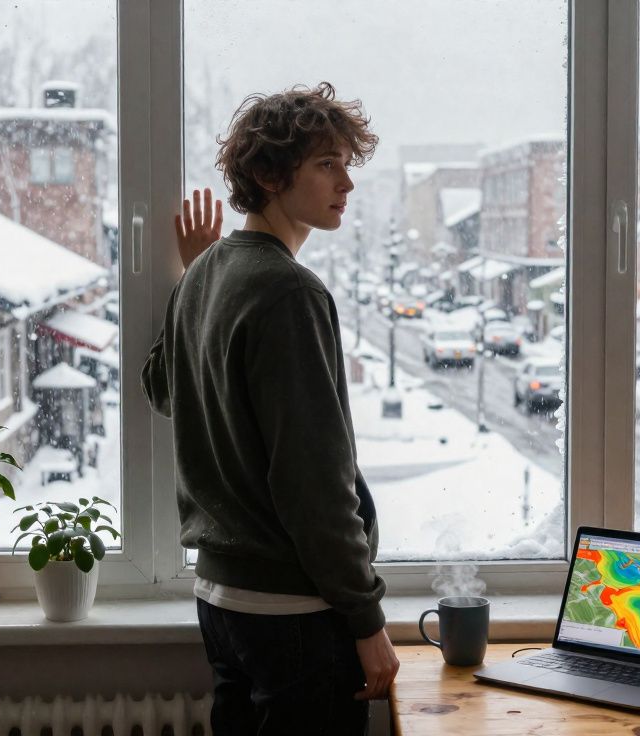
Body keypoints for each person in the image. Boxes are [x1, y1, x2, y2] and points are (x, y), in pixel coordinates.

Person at [140, 82, 398, 735]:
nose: (346, 181)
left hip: (224, 607)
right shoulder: (289, 292)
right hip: (294, 616)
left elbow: (162, 388)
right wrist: (367, 622)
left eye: (347, 163)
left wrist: (197, 283)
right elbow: (314, 484)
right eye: (325, 164)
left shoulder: (204, 274)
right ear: (266, 174)